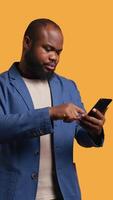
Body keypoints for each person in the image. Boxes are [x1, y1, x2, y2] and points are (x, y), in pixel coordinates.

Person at [0, 18, 105, 200]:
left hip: (65, 194)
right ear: (27, 43)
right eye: (48, 49)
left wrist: (94, 130)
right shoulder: (3, 85)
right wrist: (50, 113)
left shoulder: (68, 86)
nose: (54, 57)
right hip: (15, 194)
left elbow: (82, 136)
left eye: (58, 52)